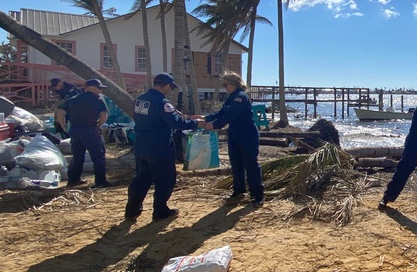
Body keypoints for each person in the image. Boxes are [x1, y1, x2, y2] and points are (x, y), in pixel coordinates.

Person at [124, 73, 200, 222]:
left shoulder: (140, 100)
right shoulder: (162, 102)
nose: (169, 90)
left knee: (141, 178)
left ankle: (132, 210)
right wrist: (195, 123)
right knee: (164, 179)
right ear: (166, 85)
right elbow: (176, 123)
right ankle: (160, 211)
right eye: (170, 87)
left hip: (140, 144)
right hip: (159, 145)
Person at [204, 71, 264, 207]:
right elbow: (221, 113)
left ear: (234, 84)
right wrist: (204, 118)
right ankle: (238, 192)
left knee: (251, 164)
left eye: (226, 85)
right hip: (234, 134)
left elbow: (230, 116)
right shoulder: (231, 97)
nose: (225, 87)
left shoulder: (240, 97)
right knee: (236, 164)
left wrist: (213, 125)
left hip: (247, 135)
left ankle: (257, 195)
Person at [59, 78, 110, 188]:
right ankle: (100, 181)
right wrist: (98, 126)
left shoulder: (73, 99)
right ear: (91, 88)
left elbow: (60, 112)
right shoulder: (98, 99)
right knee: (98, 156)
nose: (100, 91)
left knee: (77, 156)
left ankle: (73, 180)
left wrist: (63, 126)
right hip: (90, 129)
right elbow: (104, 115)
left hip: (75, 130)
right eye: (99, 88)